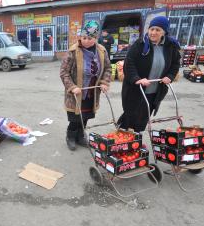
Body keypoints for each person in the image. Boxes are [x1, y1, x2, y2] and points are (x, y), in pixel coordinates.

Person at [117, 16, 180, 132]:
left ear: (164, 32)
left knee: (144, 116)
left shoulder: (170, 47)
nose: (153, 32)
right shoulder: (140, 44)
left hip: (155, 90)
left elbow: (176, 64)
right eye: (152, 29)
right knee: (131, 114)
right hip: (136, 88)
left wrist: (170, 76)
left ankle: (137, 138)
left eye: (157, 30)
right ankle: (123, 138)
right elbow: (129, 63)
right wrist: (137, 79)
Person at [60, 20, 112, 151]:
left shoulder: (101, 51)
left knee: (86, 116)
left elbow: (107, 68)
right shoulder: (73, 51)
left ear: (96, 38)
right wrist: (72, 87)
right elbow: (64, 72)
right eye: (84, 38)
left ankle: (80, 136)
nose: (87, 41)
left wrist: (104, 83)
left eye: (90, 38)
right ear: (80, 37)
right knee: (75, 118)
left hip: (92, 91)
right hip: (76, 92)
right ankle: (70, 136)